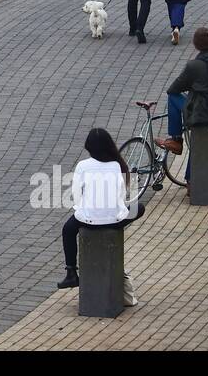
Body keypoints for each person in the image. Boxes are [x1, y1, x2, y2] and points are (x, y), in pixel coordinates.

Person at [55, 128, 143, 304]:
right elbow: (121, 196)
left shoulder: (83, 165)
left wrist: (84, 210)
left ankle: (71, 272)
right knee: (139, 207)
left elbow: (76, 195)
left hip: (87, 221)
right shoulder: (117, 165)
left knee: (68, 230)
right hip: (114, 221)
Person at [156, 28, 208, 156]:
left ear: (195, 44)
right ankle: (190, 174)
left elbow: (173, 89)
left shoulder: (193, 66)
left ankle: (176, 139)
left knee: (172, 96)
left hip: (202, 112)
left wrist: (191, 86)